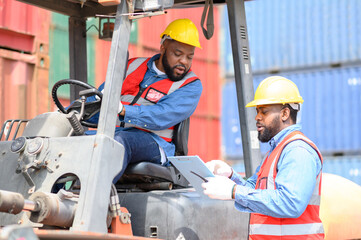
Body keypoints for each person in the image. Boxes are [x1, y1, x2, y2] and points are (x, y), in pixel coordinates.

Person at [202, 76, 324, 239]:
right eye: (257, 111)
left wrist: (233, 191)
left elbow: (290, 203)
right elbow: (254, 192)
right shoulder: (274, 152)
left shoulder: (298, 150)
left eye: (264, 111)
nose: (257, 117)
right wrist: (231, 176)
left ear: (285, 113)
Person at [87, 18, 203, 182]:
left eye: (189, 57)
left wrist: (124, 110)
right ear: (163, 47)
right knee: (72, 140)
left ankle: (95, 203)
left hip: (155, 143)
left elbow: (160, 116)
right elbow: (99, 99)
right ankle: (52, 201)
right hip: (115, 133)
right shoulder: (131, 66)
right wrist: (71, 113)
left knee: (118, 143)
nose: (184, 61)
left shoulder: (190, 85)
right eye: (178, 54)